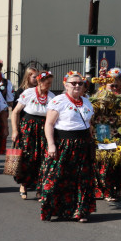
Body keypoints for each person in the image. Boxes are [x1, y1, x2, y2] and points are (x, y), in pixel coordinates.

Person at [40, 72, 96, 222]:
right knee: (57, 177)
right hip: (63, 144)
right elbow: (49, 124)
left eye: (80, 83)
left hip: (82, 145)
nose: (77, 85)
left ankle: (80, 211)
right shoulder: (59, 101)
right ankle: (53, 209)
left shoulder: (87, 101)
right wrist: (51, 144)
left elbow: (89, 123)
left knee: (81, 179)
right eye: (73, 83)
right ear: (66, 85)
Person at [11, 70, 55, 200]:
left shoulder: (52, 96)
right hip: (28, 129)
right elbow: (15, 112)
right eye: (47, 83)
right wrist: (15, 130)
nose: (49, 86)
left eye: (50, 83)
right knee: (27, 157)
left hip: (43, 129)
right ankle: (24, 185)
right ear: (40, 82)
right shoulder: (28, 93)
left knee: (43, 158)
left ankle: (39, 187)